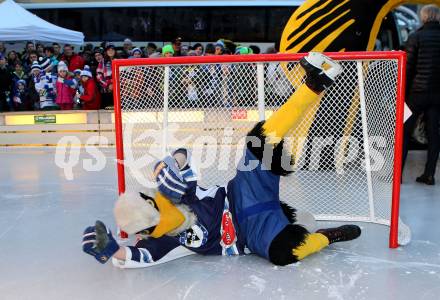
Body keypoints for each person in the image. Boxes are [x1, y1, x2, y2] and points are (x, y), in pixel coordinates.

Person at [81, 52, 361, 268]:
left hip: (241, 194)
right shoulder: (164, 240)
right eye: (149, 225)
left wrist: (168, 163)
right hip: (250, 234)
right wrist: (111, 251)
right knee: (283, 253)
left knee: (257, 140)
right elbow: (140, 256)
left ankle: (314, 83)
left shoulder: (177, 192)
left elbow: (183, 155)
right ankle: (328, 236)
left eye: (150, 201)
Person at [402, 4, 440, 185]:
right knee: (434, 134)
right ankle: (429, 174)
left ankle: (397, 176)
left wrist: (403, 94)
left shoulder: (415, 36)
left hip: (416, 94)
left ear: (423, 17)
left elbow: (408, 69)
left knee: (404, 132)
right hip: (437, 95)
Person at [96, 43, 116, 109]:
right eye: (109, 50)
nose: (110, 51)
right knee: (106, 108)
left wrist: (114, 84)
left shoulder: (119, 60)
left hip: (118, 88)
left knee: (117, 108)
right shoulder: (103, 61)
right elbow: (99, 76)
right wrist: (108, 84)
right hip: (106, 89)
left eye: (112, 50)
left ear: (115, 51)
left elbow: (123, 74)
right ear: (106, 52)